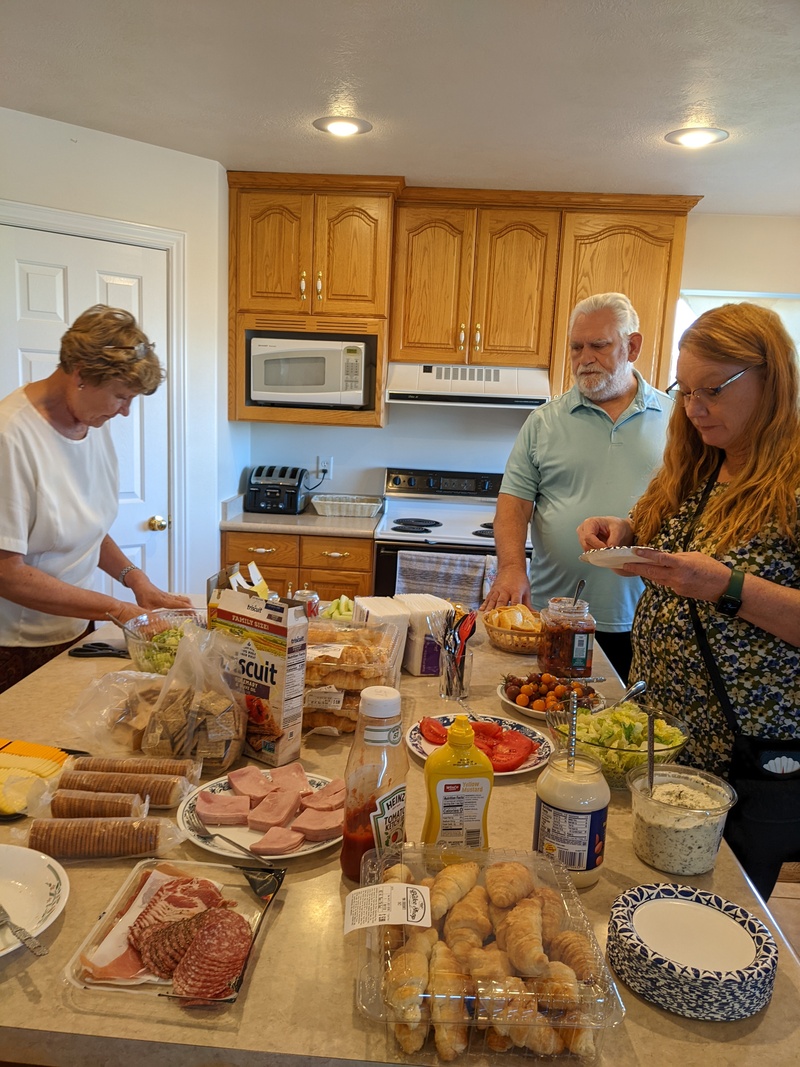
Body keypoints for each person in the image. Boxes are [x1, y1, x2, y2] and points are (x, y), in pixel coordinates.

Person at [577, 302, 800, 900]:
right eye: (685, 390)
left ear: (770, 379)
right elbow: (659, 536)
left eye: (714, 390)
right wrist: (623, 531)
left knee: (724, 916)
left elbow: (723, 580)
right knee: (651, 900)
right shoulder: (698, 465)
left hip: (749, 759)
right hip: (667, 745)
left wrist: (728, 587)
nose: (695, 407)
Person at [0, 304, 192, 693]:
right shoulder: (10, 437)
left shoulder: (89, 421)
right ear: (82, 375)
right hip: (14, 645)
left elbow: (83, 526)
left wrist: (137, 582)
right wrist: (120, 609)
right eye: (121, 397)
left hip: (74, 627)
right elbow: (7, 572)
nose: (125, 412)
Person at [481, 292, 671, 679]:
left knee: (623, 730)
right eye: (576, 347)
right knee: (552, 718)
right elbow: (514, 503)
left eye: (599, 345)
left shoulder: (678, 423)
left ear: (632, 347)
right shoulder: (544, 421)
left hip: (648, 620)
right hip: (557, 618)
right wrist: (512, 568)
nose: (585, 358)